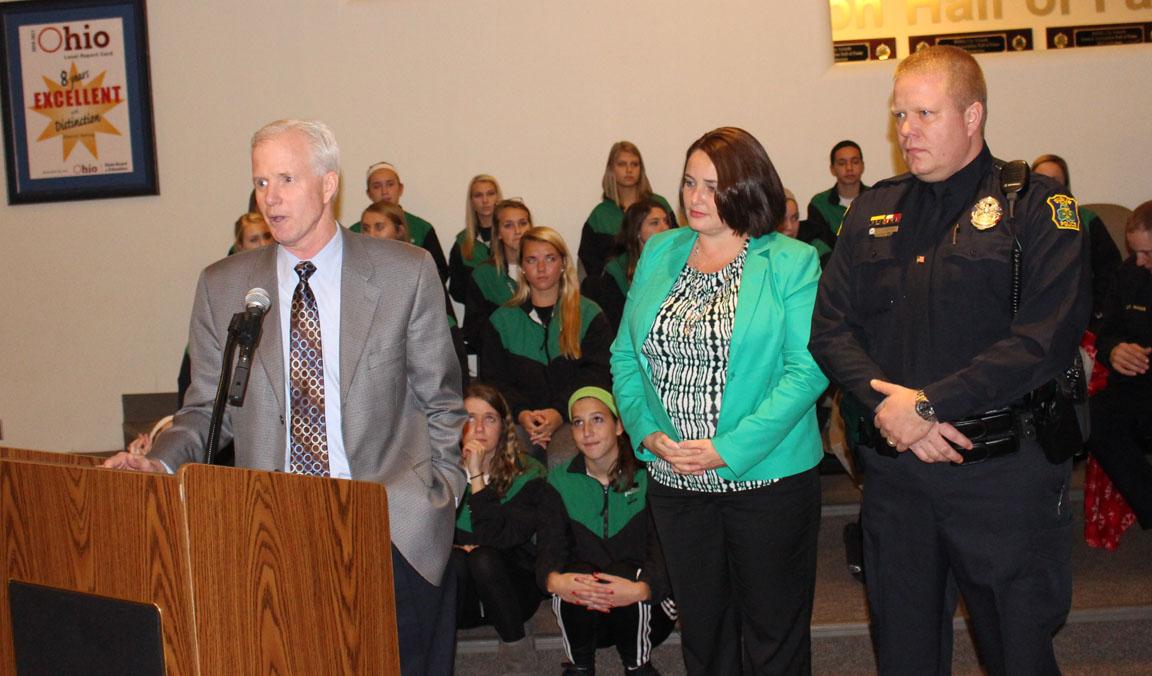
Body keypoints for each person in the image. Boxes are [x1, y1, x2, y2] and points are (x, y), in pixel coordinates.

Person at [104, 119, 466, 676]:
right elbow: (204, 411)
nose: (270, 198)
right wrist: (159, 461)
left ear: (328, 184)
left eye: (286, 179)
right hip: (273, 531)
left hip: (391, 525)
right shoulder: (224, 286)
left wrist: (440, 494)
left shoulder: (405, 273)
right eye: (260, 182)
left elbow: (441, 399)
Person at [809, 46, 1090, 675]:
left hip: (1000, 478)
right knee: (904, 656)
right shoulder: (873, 210)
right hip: (898, 478)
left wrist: (930, 406)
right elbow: (830, 330)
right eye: (899, 115)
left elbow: (1044, 339)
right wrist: (894, 410)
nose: (906, 130)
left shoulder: (1035, 207)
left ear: (972, 115)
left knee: (1018, 654)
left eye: (925, 114)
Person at [611, 126, 827, 674]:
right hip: (677, 485)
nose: (695, 197)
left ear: (747, 188)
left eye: (713, 186)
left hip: (767, 483)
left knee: (773, 637)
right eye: (689, 182)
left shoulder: (791, 260)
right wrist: (644, 431)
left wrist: (727, 448)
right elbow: (624, 356)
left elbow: (807, 371)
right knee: (705, 637)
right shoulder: (660, 249)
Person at [536, 387, 676, 676]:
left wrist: (641, 589)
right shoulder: (558, 482)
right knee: (574, 574)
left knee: (624, 572)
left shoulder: (650, 475)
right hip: (591, 616)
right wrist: (554, 581)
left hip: (649, 608)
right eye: (578, 422)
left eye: (597, 419)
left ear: (619, 426)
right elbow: (550, 548)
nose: (587, 431)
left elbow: (664, 552)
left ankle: (638, 667)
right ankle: (580, 666)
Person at [479, 226, 612, 466]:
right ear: (522, 267)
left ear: (563, 264)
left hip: (574, 417)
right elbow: (493, 381)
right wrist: (521, 413)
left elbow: (598, 374)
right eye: (532, 260)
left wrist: (559, 412)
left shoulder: (589, 314)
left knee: (564, 460)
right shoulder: (501, 321)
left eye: (550, 259)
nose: (541, 268)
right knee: (515, 461)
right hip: (519, 420)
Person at [452, 383, 550, 670]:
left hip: (514, 591)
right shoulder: (442, 473)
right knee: (455, 561)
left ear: (504, 427)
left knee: (483, 556)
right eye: (469, 418)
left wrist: (476, 476)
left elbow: (499, 539)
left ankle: (518, 655)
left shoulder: (529, 473)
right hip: (465, 600)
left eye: (489, 418)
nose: (479, 428)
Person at [1087, 200, 1152, 530]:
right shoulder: (1128, 274)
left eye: (1147, 253)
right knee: (1092, 416)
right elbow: (1105, 330)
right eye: (1134, 251)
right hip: (1135, 388)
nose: (1139, 261)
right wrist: (1114, 351)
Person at [1031, 153, 1123, 329]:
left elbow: (1109, 271)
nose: (1048, 186)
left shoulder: (1087, 220)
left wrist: (1094, 309)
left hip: (1081, 313)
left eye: (1055, 180)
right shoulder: (1018, 223)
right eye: (1041, 179)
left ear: (1065, 186)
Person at [578, 141, 677, 279]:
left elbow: (677, 247)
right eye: (622, 164)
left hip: (660, 281)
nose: (629, 170)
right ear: (611, 169)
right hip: (613, 288)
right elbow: (589, 263)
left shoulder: (659, 205)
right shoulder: (600, 216)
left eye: (634, 164)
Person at [580, 197, 672, 333]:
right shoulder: (616, 271)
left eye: (666, 221)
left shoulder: (679, 262)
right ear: (637, 231)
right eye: (655, 223)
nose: (665, 228)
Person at [350, 161, 449, 281]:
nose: (384, 191)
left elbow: (439, 272)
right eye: (377, 186)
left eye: (390, 184)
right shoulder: (353, 232)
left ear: (400, 188)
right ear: (369, 193)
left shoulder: (422, 228)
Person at [462, 199, 531, 353]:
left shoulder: (544, 270)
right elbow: (473, 330)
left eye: (523, 223)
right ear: (498, 233)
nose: (518, 231)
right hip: (501, 359)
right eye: (508, 225)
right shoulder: (484, 275)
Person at [803, 140, 868, 251]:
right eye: (842, 163)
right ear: (832, 169)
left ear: (862, 166)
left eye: (855, 162)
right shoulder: (819, 204)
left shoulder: (876, 198)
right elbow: (819, 245)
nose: (849, 168)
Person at [449, 175, 504, 304]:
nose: (485, 200)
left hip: (512, 313)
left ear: (498, 197)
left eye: (490, 194)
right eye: (478, 195)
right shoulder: (462, 242)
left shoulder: (513, 236)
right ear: (471, 202)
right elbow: (456, 290)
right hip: (477, 314)